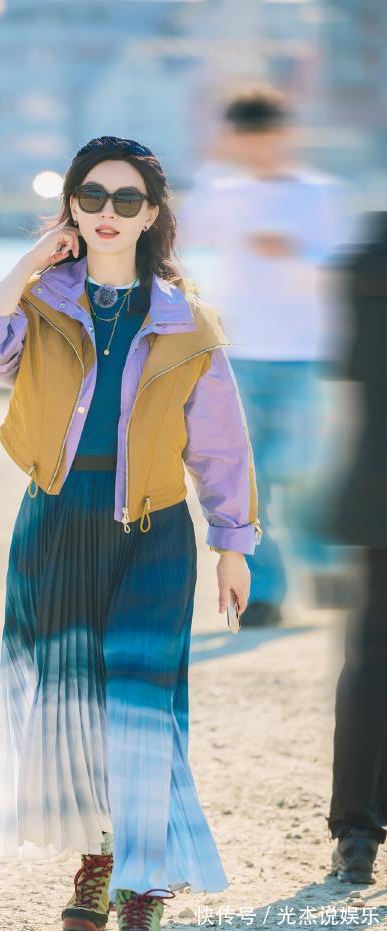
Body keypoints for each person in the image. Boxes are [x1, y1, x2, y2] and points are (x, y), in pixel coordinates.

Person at [0, 135, 262, 931]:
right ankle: (98, 862)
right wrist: (32, 260)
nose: (109, 213)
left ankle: (145, 879)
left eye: (128, 199)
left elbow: (221, 444)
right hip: (56, 521)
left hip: (154, 532)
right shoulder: (42, 301)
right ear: (72, 207)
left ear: (152, 214)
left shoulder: (188, 321)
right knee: (77, 706)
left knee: (141, 704)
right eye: (92, 196)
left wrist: (233, 543)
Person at [178, 84, 346, 627]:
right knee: (255, 476)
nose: (258, 148)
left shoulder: (318, 194)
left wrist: (294, 254)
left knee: (304, 470)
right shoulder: (222, 191)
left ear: (287, 134)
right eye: (247, 138)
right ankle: (268, 594)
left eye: (266, 136)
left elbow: (344, 271)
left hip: (307, 354)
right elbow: (182, 236)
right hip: (241, 353)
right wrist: (212, 162)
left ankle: (323, 559)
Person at [324, 211, 387, 884]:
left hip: (378, 489)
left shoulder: (367, 258)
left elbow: (350, 365)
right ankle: (358, 829)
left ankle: (359, 832)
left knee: (371, 661)